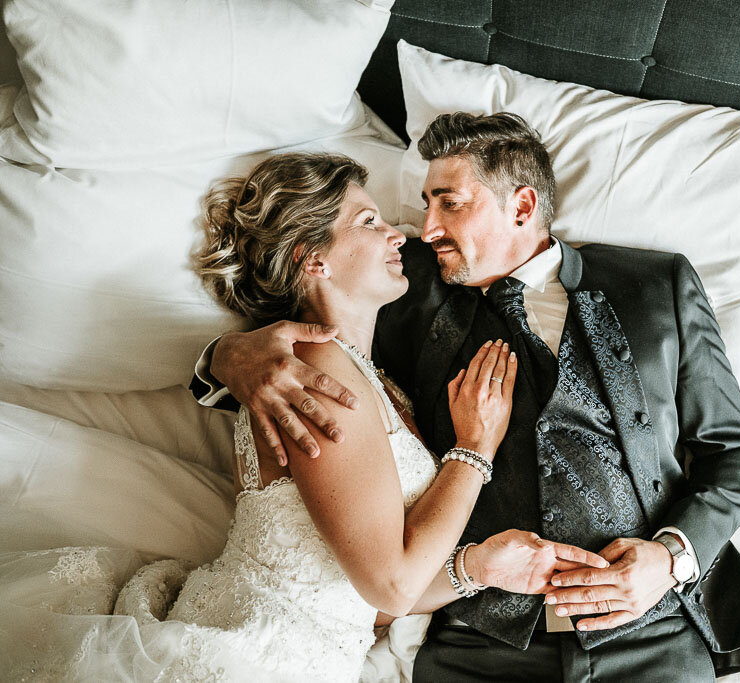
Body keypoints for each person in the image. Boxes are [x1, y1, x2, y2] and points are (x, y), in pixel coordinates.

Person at [196, 114, 740, 681]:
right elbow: (309, 314)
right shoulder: (406, 288)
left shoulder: (654, 286)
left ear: (522, 205)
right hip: (481, 640)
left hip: (652, 624)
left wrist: (670, 561)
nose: (424, 229)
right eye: (424, 205)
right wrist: (227, 356)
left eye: (450, 203)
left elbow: (735, 450)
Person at [0, 152, 607, 682]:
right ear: (311, 259)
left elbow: (367, 599)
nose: (400, 234)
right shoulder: (314, 366)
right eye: (369, 222)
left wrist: (478, 567)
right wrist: (474, 449)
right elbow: (388, 585)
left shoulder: (376, 381)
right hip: (248, 658)